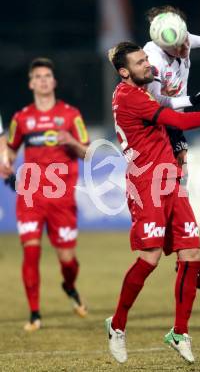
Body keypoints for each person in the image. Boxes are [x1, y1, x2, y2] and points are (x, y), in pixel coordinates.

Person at [105, 42, 200, 364]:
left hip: (170, 180)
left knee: (192, 252)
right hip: (147, 185)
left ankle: (180, 333)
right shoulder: (129, 97)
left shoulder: (143, 92)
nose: (148, 65)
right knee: (150, 257)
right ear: (124, 72)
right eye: (141, 62)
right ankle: (116, 326)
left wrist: (178, 147)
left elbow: (169, 121)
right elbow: (179, 121)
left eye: (147, 59)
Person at [143, 5, 200, 294]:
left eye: (185, 40)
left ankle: (189, 258)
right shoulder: (152, 61)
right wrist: (191, 99)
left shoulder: (179, 36)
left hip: (174, 124)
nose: (184, 47)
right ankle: (189, 260)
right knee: (172, 194)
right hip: (158, 126)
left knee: (180, 189)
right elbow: (156, 107)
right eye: (178, 45)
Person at [0, 58, 89, 331]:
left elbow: (87, 150)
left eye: (47, 75)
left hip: (62, 199)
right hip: (31, 196)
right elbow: (11, 150)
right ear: (30, 83)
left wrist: (71, 141)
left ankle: (70, 286)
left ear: (54, 82)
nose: (42, 80)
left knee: (68, 262)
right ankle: (35, 314)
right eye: (37, 76)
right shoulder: (21, 118)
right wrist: (6, 164)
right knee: (30, 252)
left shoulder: (71, 115)